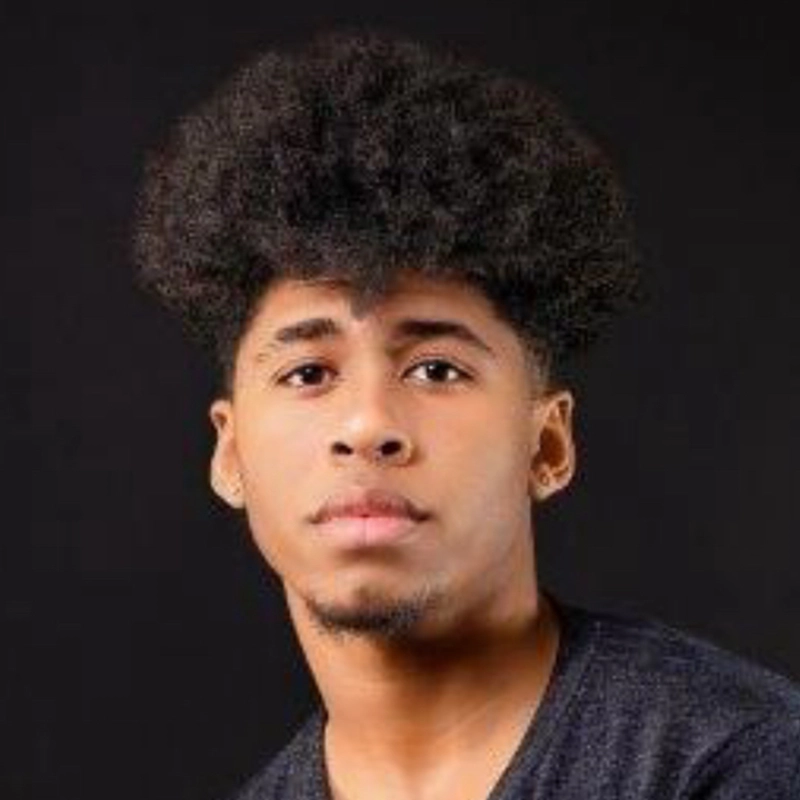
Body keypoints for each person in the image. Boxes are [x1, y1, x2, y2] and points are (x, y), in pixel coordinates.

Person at [132, 29, 800, 800]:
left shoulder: (733, 762)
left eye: (436, 369)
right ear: (230, 455)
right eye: (308, 372)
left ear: (546, 445)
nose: (367, 424)